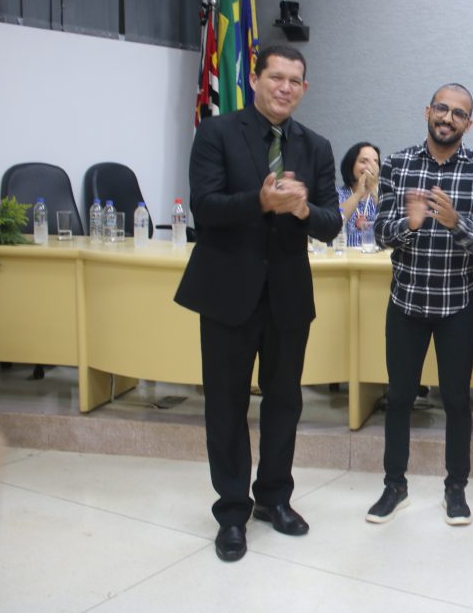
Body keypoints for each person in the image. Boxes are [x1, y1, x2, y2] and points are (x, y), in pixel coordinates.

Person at [174, 44, 341, 562]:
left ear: (304, 89)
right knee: (226, 405)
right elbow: (204, 207)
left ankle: (274, 498)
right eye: (276, 77)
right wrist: (260, 201)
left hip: (288, 296)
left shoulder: (316, 146)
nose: (285, 88)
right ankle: (231, 512)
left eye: (295, 80)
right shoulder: (217, 133)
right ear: (254, 79)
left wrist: (303, 211)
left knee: (284, 402)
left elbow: (331, 223)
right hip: (227, 293)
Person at [367, 83, 473, 526]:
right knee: (400, 397)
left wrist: (455, 222)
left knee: (457, 400)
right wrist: (410, 223)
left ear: (468, 124)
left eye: (458, 113)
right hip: (406, 301)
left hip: (457, 304)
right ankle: (394, 486)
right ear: (427, 111)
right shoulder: (397, 163)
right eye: (441, 108)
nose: (448, 118)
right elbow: (379, 232)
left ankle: (455, 489)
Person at [337, 141, 380, 246]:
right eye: (364, 161)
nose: (370, 167)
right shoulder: (336, 193)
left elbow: (390, 225)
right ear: (351, 164)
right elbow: (334, 222)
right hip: (342, 255)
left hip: (374, 256)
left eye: (375, 162)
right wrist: (358, 194)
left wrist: (374, 189)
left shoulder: (383, 195)